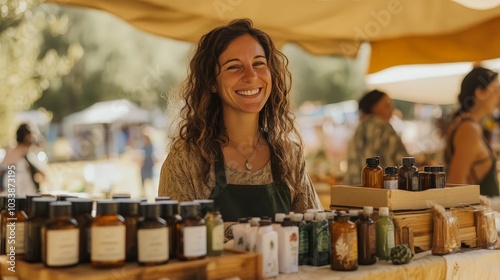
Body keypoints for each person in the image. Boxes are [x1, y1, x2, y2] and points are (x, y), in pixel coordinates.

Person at [158, 18, 323, 222]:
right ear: (211, 83)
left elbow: (316, 230)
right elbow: (177, 237)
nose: (251, 76)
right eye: (234, 67)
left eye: (259, 63)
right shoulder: (187, 159)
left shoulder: (289, 156)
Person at [444, 67, 500, 197]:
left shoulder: (466, 124)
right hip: (482, 214)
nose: (498, 97)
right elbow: (456, 184)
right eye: (495, 90)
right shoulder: (469, 128)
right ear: (480, 93)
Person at [345, 89, 410, 185]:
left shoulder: (360, 127)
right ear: (374, 107)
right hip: (378, 188)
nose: (392, 109)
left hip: (354, 188)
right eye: (387, 105)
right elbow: (401, 161)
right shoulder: (383, 127)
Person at [0, 123, 44, 196]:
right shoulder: (27, 151)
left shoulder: (9, 150)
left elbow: (2, 169)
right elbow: (42, 173)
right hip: (20, 187)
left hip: (9, 186)